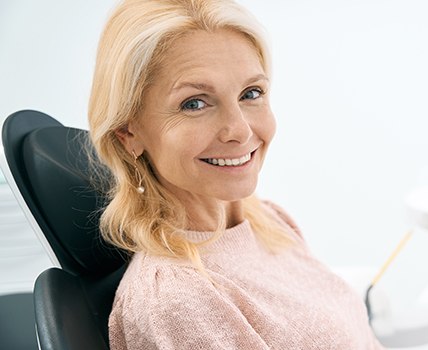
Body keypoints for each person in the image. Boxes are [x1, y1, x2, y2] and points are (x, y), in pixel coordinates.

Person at [88, 0, 384, 348]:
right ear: (129, 132)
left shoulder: (269, 222)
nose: (240, 131)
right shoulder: (176, 300)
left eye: (251, 93)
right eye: (195, 103)